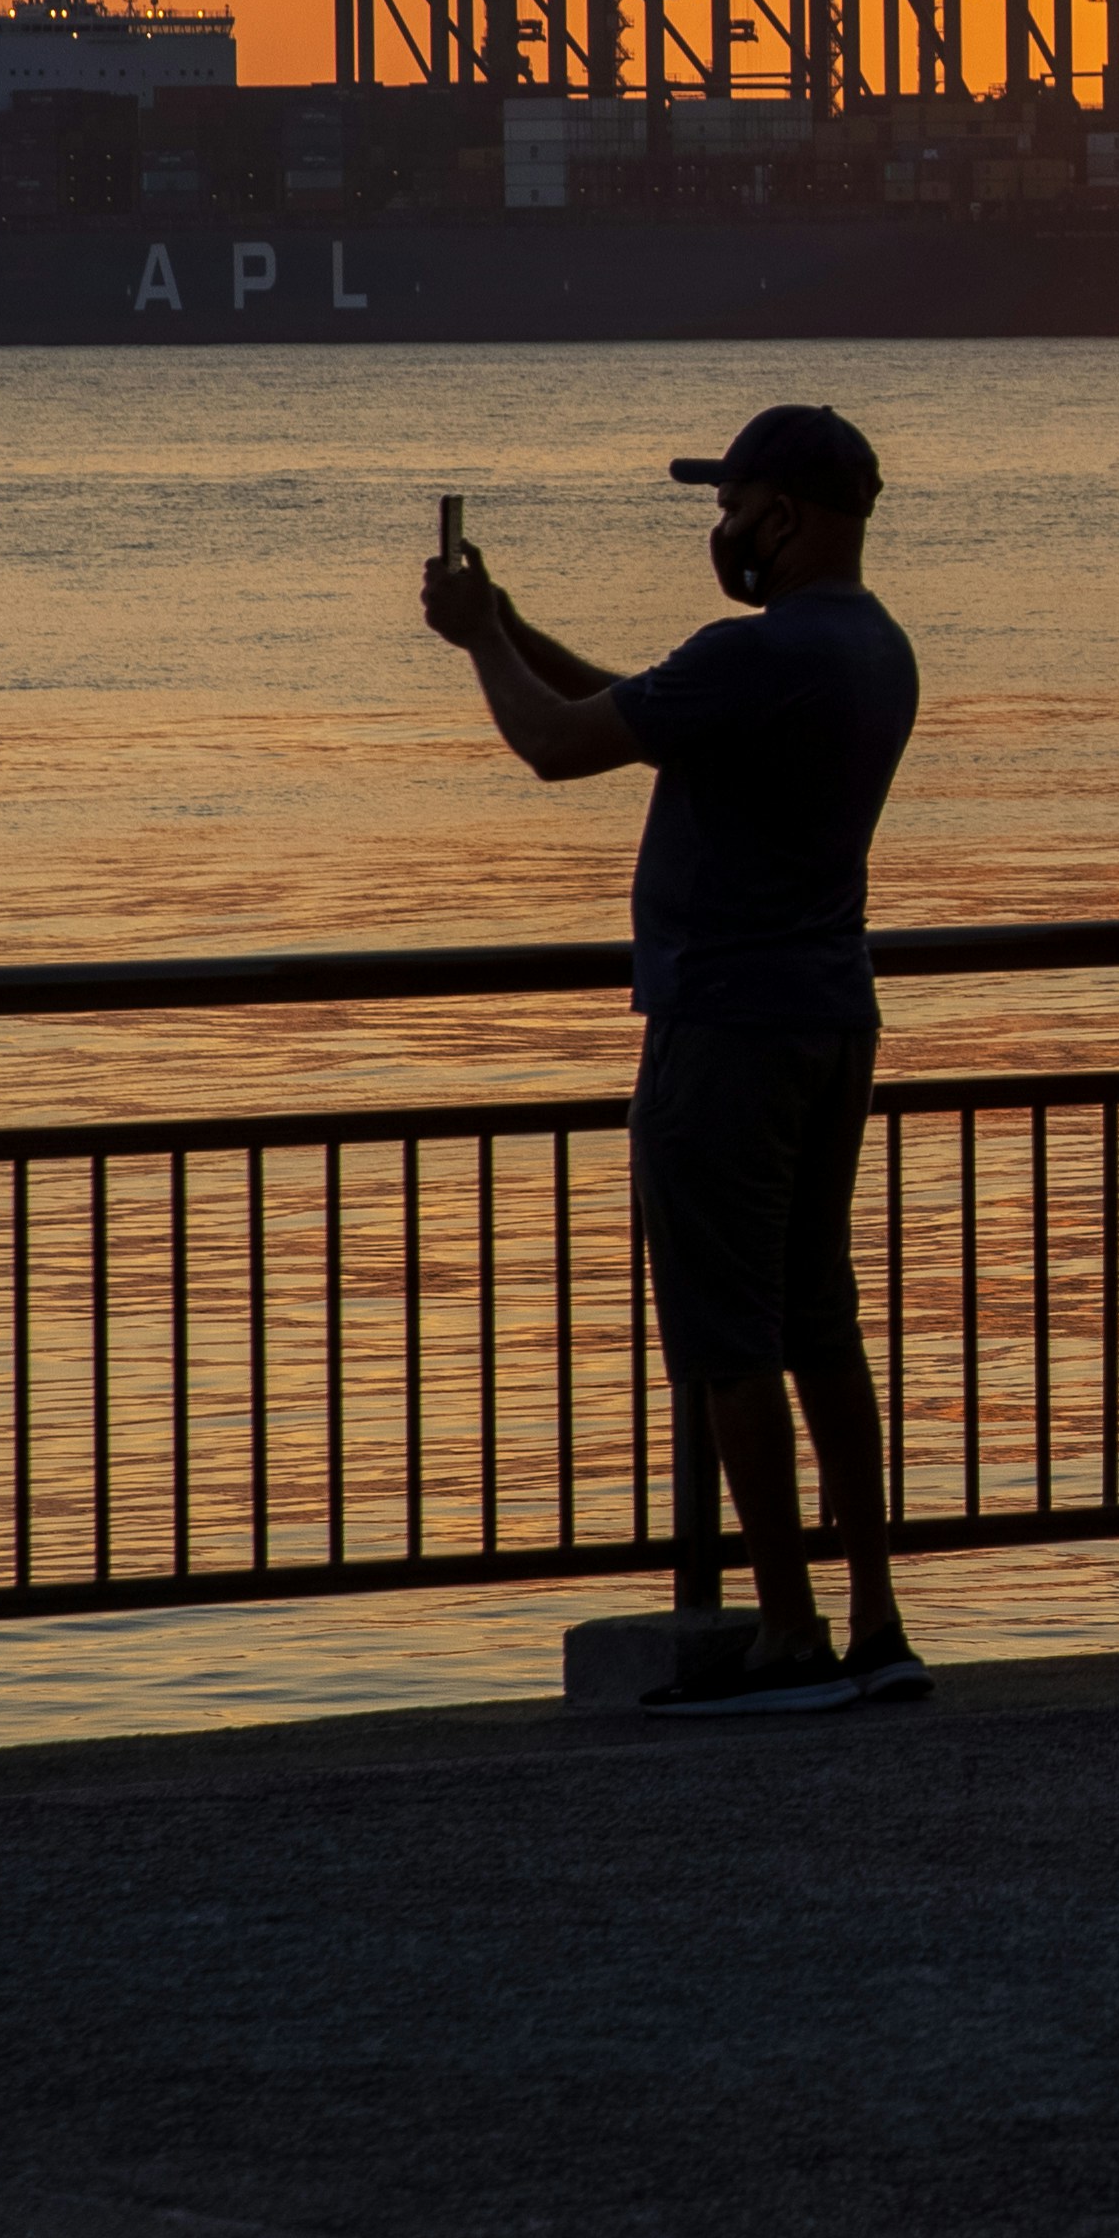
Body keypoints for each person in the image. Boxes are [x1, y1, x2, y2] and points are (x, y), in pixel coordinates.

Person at [422, 402, 925, 1704]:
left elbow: (556, 742)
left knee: (725, 1337)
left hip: (724, 1029)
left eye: (732, 503)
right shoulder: (870, 648)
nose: (721, 527)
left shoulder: (758, 653)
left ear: (787, 517)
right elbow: (630, 702)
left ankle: (787, 1633)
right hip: (831, 1013)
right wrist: (512, 624)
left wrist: (480, 644)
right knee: (820, 1324)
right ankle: (873, 1622)